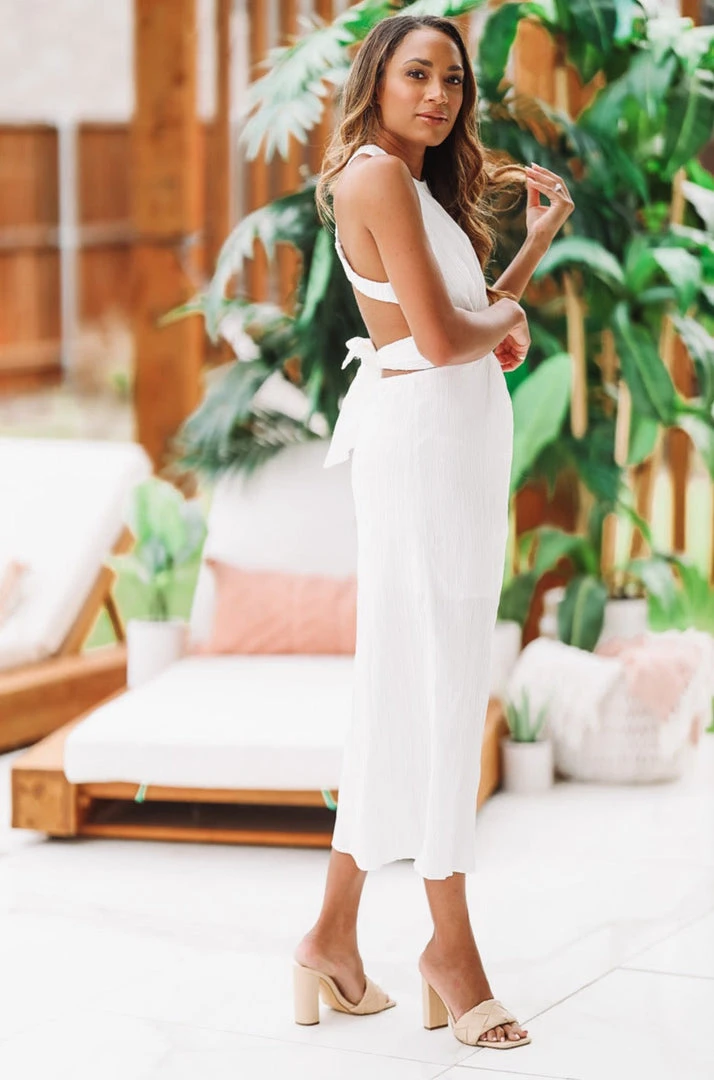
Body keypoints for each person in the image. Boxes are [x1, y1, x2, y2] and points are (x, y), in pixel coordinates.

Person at [293, 12, 574, 1050]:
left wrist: (529, 256)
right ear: (376, 78)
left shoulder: (410, 186)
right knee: (438, 686)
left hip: (448, 447)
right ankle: (450, 950)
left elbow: (454, 324)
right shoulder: (373, 177)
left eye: (453, 79)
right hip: (423, 455)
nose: (440, 95)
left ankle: (331, 938)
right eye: (417, 74)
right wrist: (507, 323)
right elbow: (454, 338)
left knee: (411, 684)